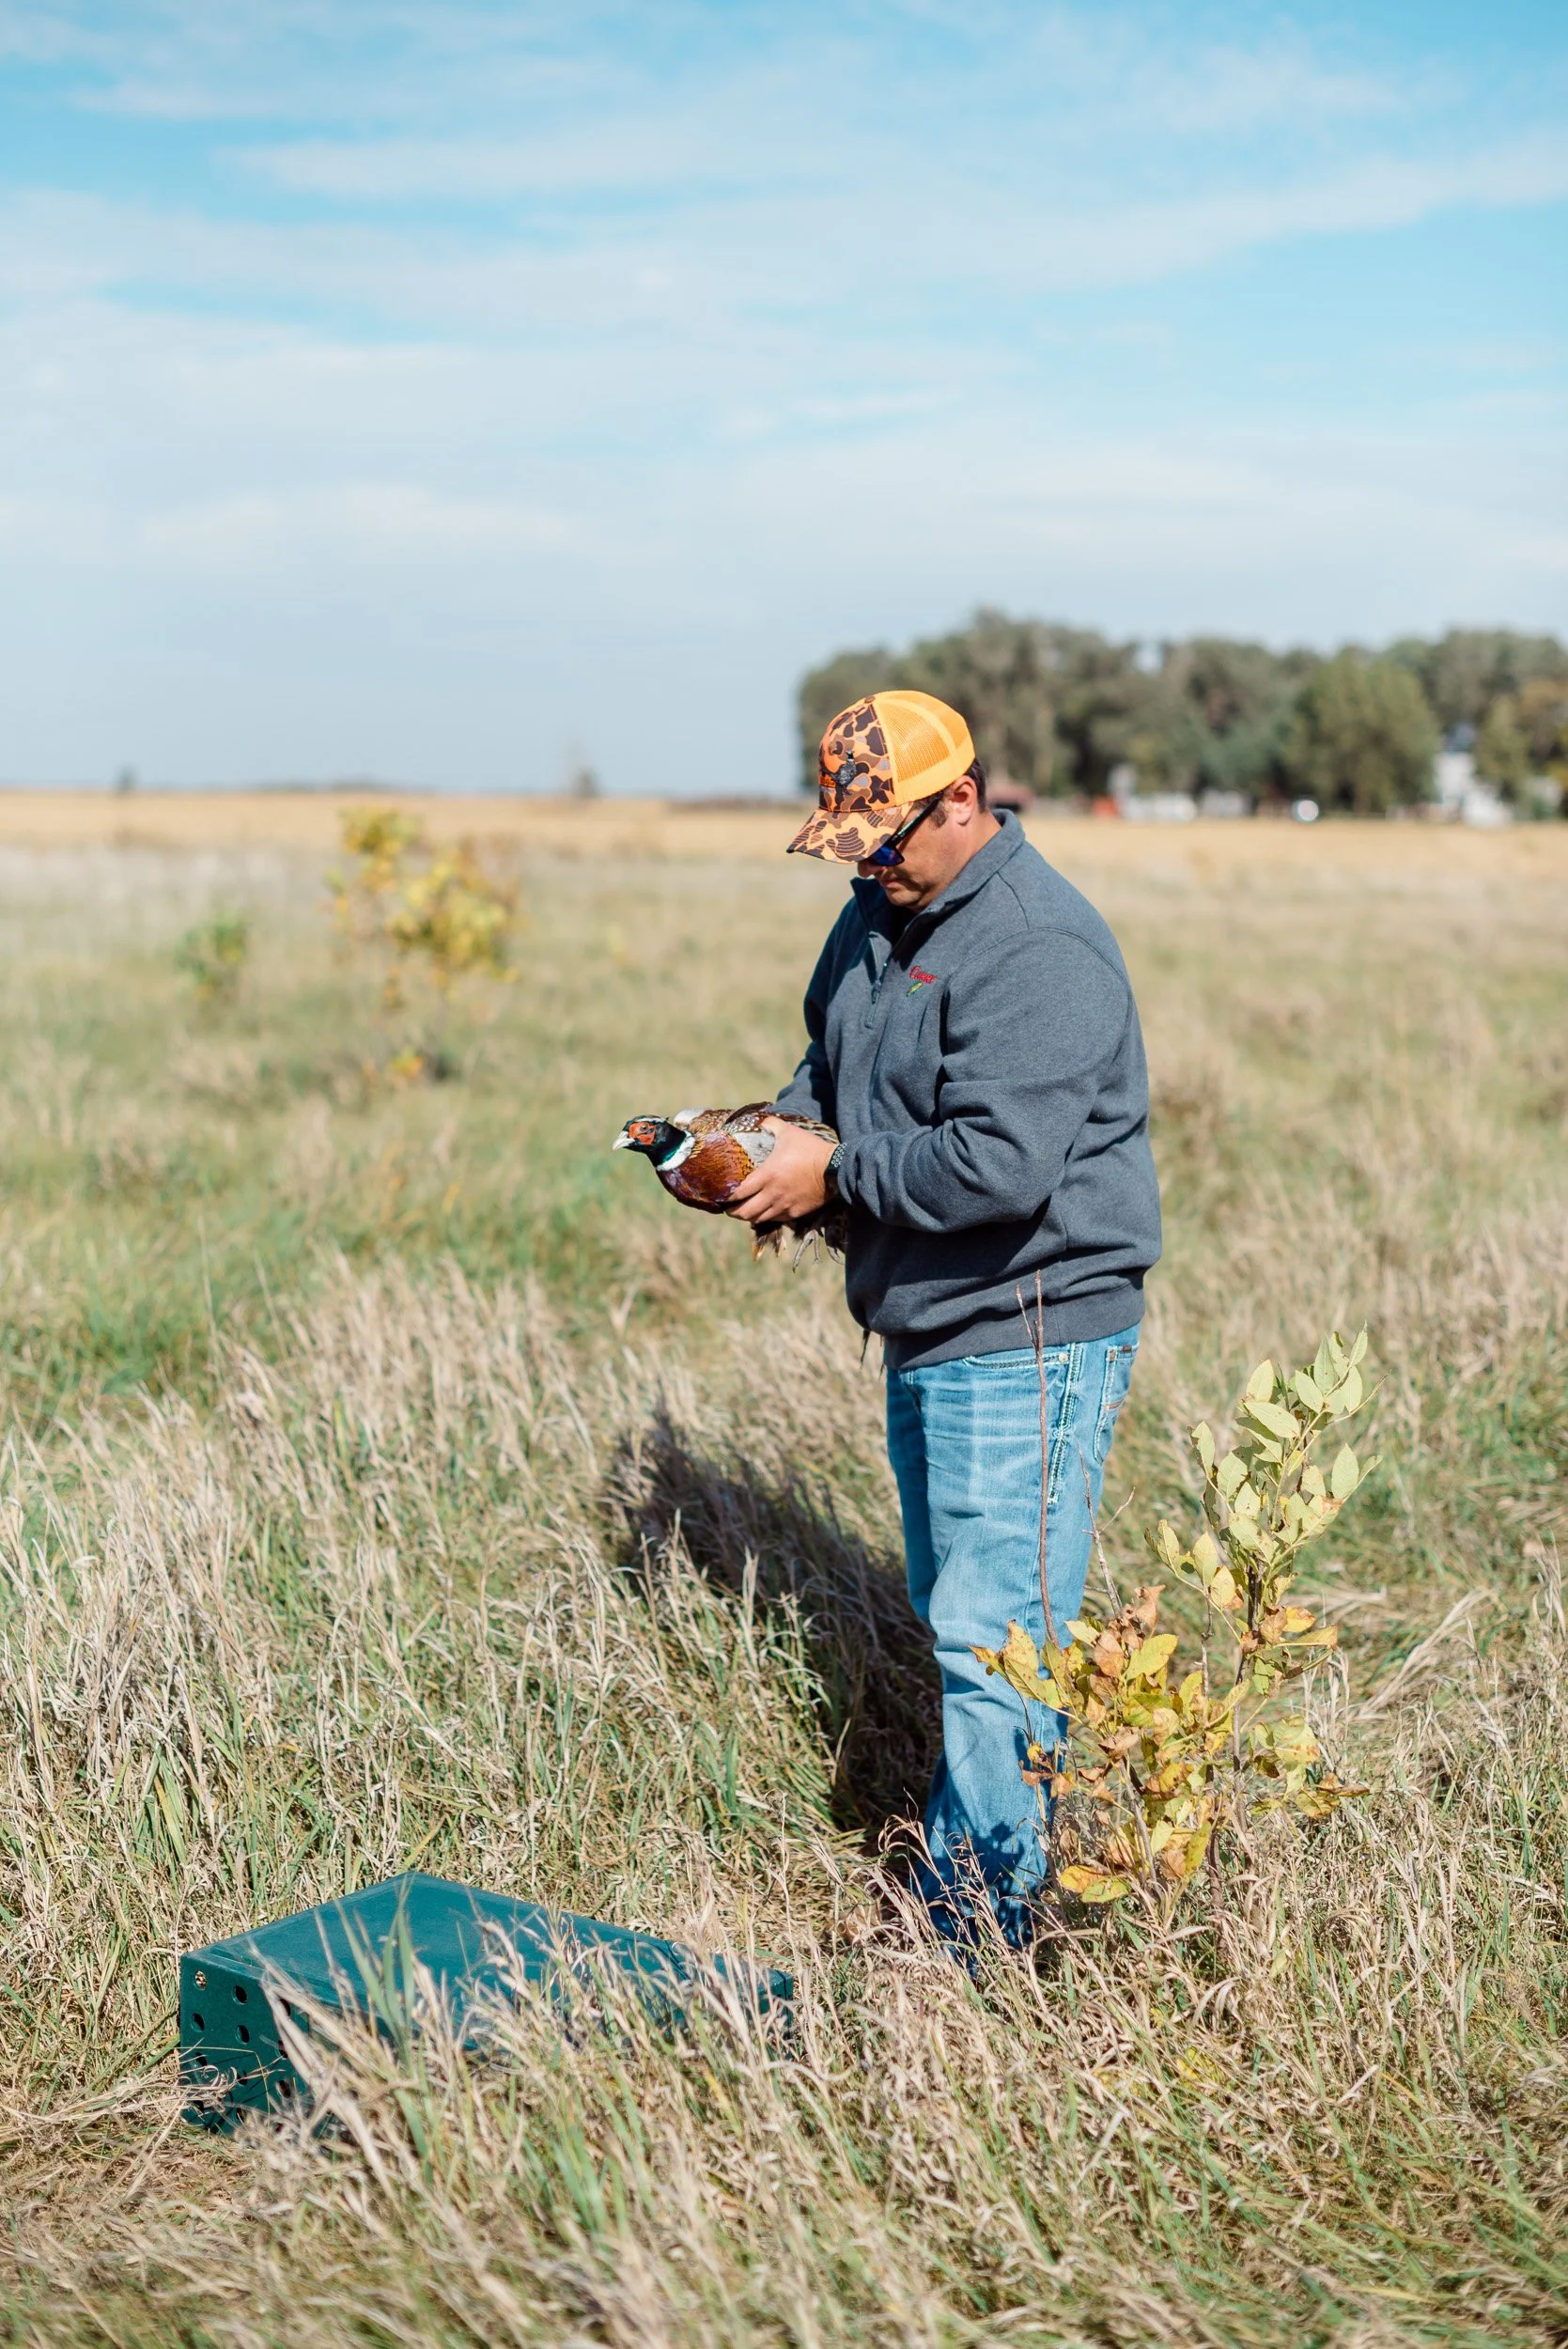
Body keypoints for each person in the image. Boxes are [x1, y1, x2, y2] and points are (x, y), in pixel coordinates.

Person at [728, 689, 1161, 1941]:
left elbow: (998, 1165)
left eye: (887, 838)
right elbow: (826, 1064)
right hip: (928, 1315)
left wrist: (838, 1174)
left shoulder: (1037, 947)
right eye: (850, 841)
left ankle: (990, 1935)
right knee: (964, 1617)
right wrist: (767, 1145)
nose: (866, 863)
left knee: (995, 1641)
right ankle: (966, 1874)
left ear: (962, 801)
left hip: (1027, 1324)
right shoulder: (879, 913)